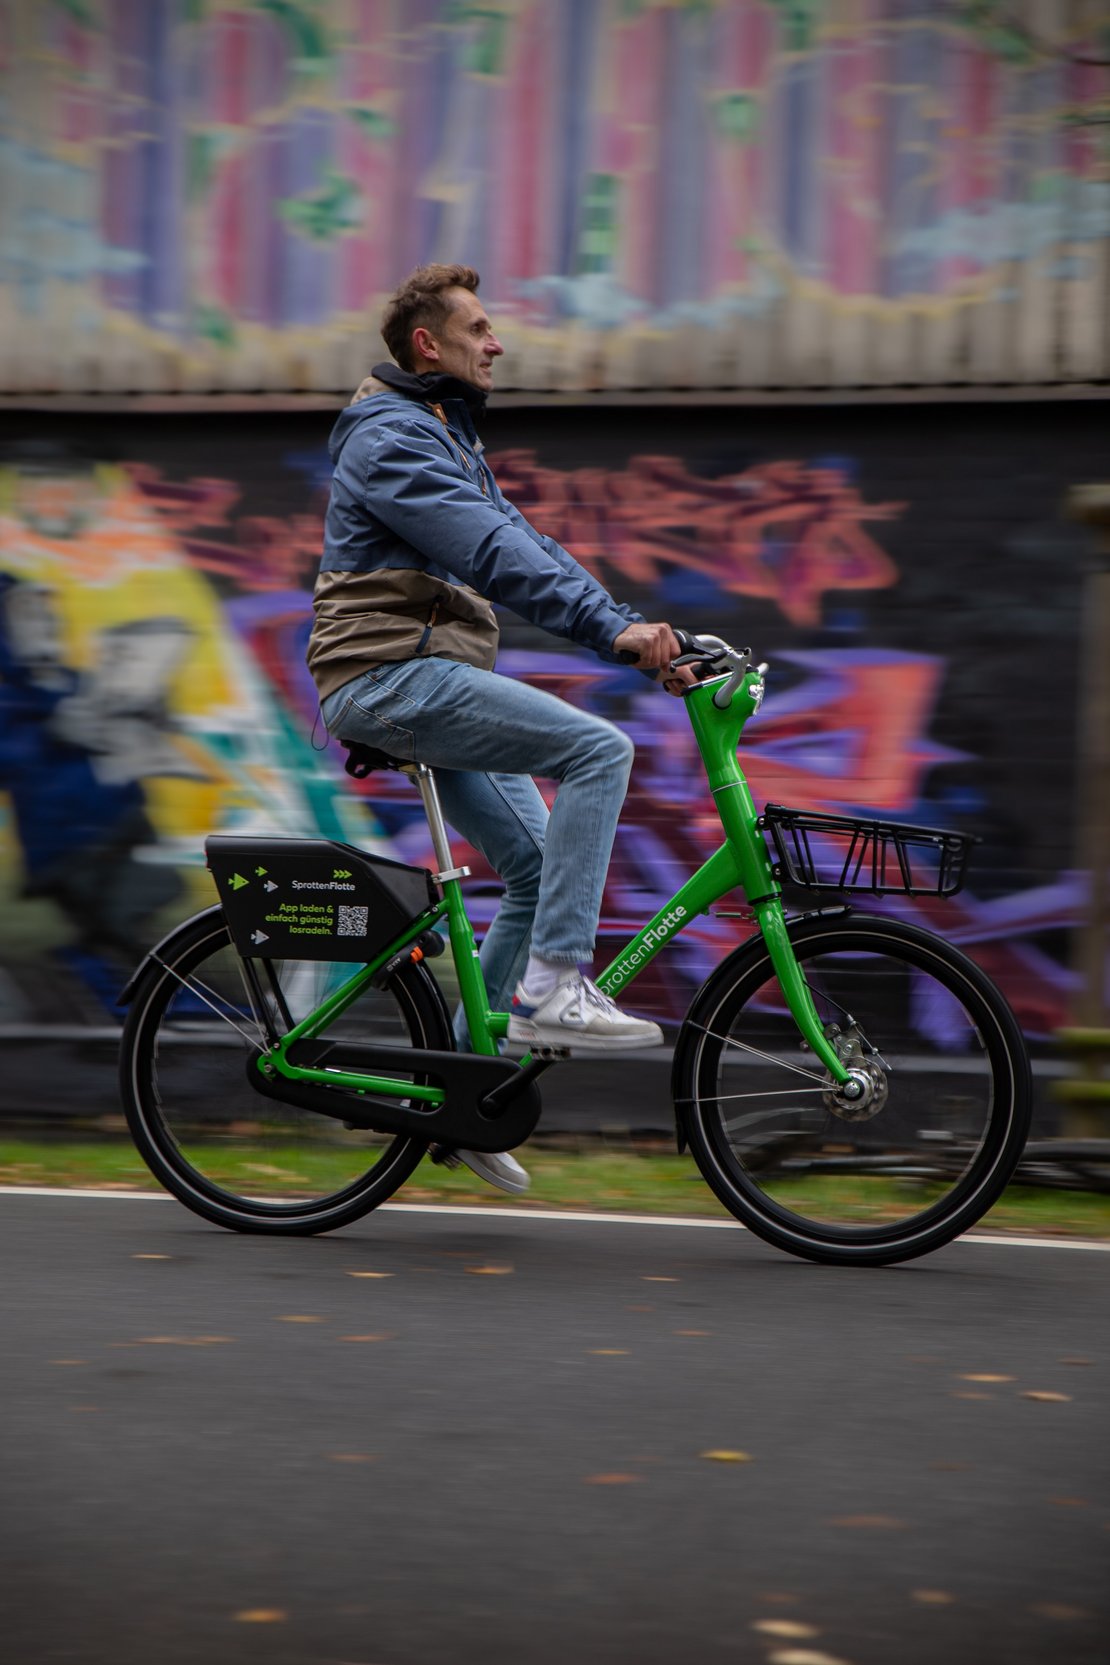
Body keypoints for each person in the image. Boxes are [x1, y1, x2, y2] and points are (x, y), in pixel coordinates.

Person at [307, 263, 695, 1194]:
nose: (498, 341)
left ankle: (462, 1096)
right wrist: (611, 631)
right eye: (479, 327)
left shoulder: (442, 434)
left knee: (529, 863)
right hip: (386, 676)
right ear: (427, 345)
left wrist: (637, 632)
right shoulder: (390, 438)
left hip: (428, 675)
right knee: (599, 749)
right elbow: (490, 552)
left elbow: (530, 543)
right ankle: (555, 985)